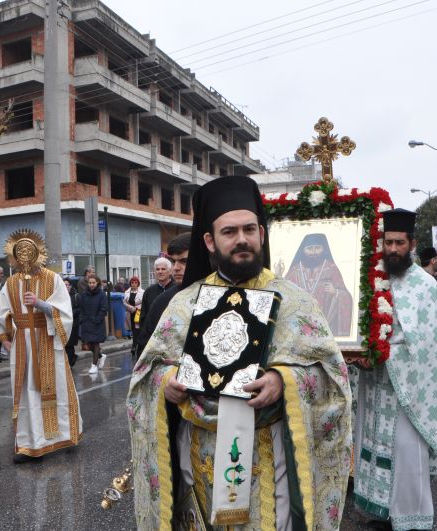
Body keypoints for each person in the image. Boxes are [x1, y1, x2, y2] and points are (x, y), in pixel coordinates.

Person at [128, 175, 351, 530]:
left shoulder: (296, 302)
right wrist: (166, 382)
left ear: (261, 234)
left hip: (269, 451)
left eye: (249, 229)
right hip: (199, 454)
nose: (242, 239)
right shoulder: (183, 304)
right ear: (210, 241)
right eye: (229, 232)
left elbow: (331, 376)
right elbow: (148, 373)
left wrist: (284, 379)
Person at [351, 209, 437, 530]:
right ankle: (381, 514)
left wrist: (383, 353)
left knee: (405, 453)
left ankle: (410, 519)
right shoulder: (372, 280)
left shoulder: (425, 286)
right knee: (373, 447)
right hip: (375, 386)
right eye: (388, 242)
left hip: (408, 391)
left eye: (400, 242)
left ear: (411, 243)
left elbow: (427, 345)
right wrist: (359, 351)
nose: (393, 249)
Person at [0, 230, 82, 463]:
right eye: (19, 253)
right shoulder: (10, 283)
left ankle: (62, 436)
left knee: (55, 389)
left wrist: (41, 304)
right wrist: (6, 341)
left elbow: (65, 312)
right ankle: (29, 444)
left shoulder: (53, 279)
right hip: (22, 346)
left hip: (48, 341)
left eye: (28, 252)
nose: (24, 257)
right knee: (26, 394)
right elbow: (1, 315)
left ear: (37, 253)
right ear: (14, 256)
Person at [282, 232, 354, 336]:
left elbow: (346, 297)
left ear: (324, 250)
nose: (313, 252)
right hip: (297, 331)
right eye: (309, 248)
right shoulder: (295, 270)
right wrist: (279, 274)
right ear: (303, 250)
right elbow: (283, 293)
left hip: (324, 330)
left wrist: (336, 292)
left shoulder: (331, 268)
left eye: (317, 248)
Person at [135, 232, 191, 356]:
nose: (176, 267)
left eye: (184, 261)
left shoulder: (218, 295)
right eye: (174, 261)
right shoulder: (160, 300)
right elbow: (146, 340)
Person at [134, 257, 174, 355]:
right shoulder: (148, 291)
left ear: (170, 271)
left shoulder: (177, 290)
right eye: (157, 269)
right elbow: (144, 317)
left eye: (163, 269)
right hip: (153, 339)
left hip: (172, 339)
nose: (160, 271)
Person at [78, 273, 108, 375]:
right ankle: (100, 356)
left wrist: (97, 319)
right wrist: (82, 318)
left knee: (95, 343)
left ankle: (94, 365)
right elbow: (81, 307)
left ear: (97, 283)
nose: (91, 285)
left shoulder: (102, 295)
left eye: (93, 283)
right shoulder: (84, 294)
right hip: (86, 322)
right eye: (90, 283)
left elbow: (104, 309)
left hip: (97, 323)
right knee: (87, 343)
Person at [123, 276, 143, 357]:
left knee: (137, 330)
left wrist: (137, 308)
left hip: (138, 313)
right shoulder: (127, 292)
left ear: (138, 283)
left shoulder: (142, 292)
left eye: (135, 283)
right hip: (130, 313)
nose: (134, 284)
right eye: (132, 283)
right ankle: (135, 346)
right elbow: (124, 302)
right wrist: (131, 308)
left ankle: (134, 346)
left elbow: (143, 302)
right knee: (132, 330)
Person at [64, 277, 80, 367]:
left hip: (73, 324)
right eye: (64, 285)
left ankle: (70, 362)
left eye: (67, 285)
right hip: (63, 323)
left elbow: (80, 309)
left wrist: (71, 313)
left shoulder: (75, 296)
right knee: (66, 344)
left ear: (70, 286)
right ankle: (72, 358)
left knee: (70, 344)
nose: (66, 286)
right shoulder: (60, 296)